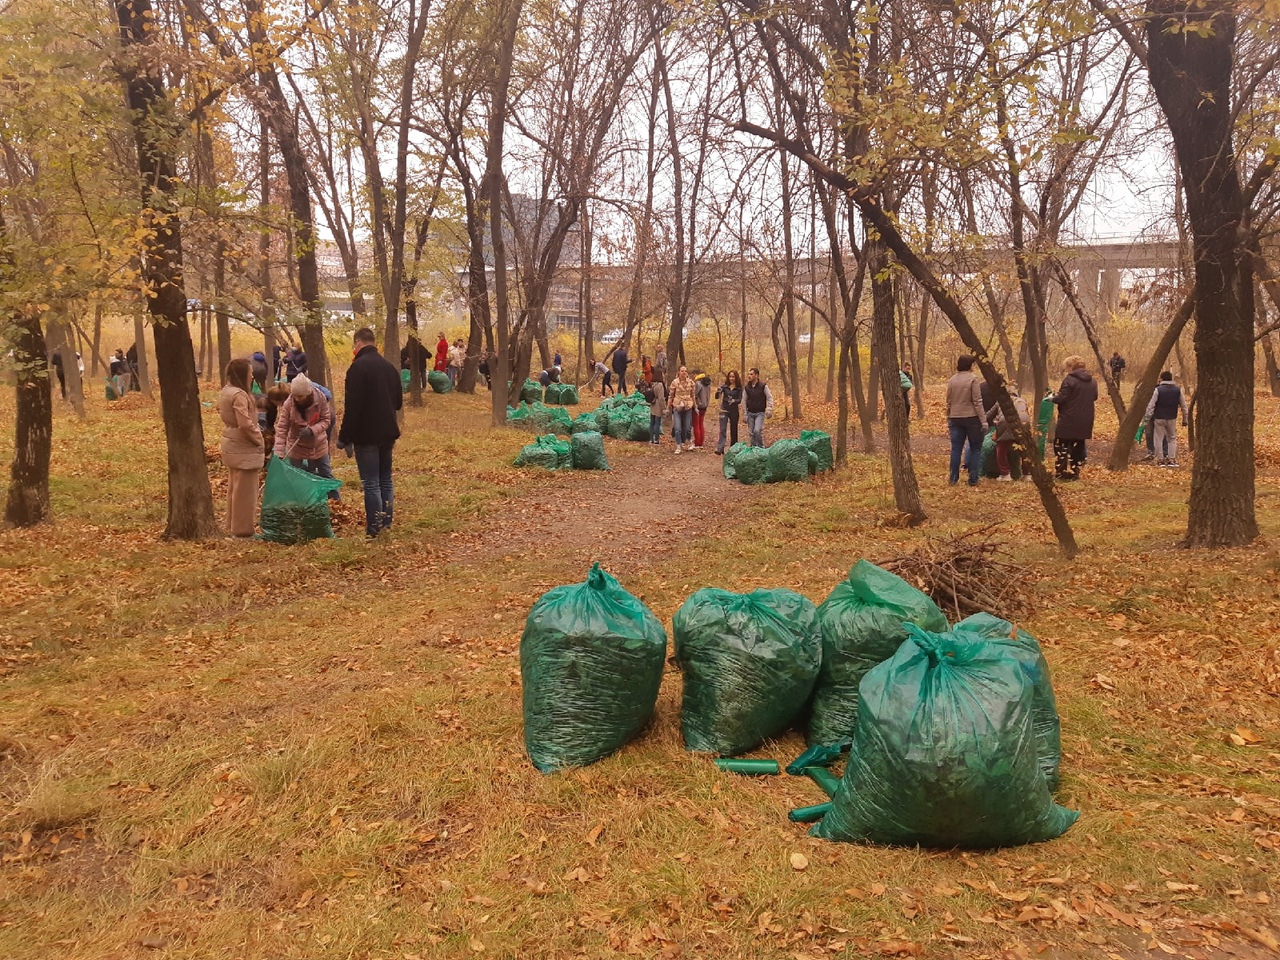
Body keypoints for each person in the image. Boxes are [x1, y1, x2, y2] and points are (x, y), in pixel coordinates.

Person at [338, 328, 403, 537]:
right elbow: (399, 403)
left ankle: (374, 529)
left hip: (366, 435)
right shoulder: (390, 368)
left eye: (353, 345)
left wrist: (344, 437)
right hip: (388, 433)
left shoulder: (358, 368)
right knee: (385, 480)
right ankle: (387, 523)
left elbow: (353, 407)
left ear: (358, 342)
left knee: (371, 483)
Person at [217, 358, 265, 538]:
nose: (252, 376)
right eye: (250, 373)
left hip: (232, 443)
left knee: (235, 489)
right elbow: (245, 423)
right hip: (243, 446)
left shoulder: (226, 391)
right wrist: (259, 438)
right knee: (245, 493)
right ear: (242, 374)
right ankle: (243, 530)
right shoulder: (239, 395)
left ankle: (233, 526)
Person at [274, 373, 334, 482]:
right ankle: (302, 498)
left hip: (318, 444)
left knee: (326, 474)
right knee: (297, 477)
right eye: (295, 395)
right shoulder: (289, 403)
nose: (297, 399)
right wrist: (279, 452)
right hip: (296, 446)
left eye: (300, 396)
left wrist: (312, 430)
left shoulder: (320, 399)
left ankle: (334, 498)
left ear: (308, 393)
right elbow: (282, 428)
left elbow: (326, 420)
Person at [1052, 355, 1098, 482]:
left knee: (1060, 445)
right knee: (1078, 446)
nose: (1066, 369)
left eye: (1067, 367)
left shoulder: (1069, 380)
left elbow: (1062, 397)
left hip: (1068, 418)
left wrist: (1052, 398)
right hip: (1085, 419)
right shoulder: (1092, 381)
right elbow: (1094, 397)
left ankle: (1061, 472)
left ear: (1071, 366)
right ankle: (1074, 472)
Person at [945, 354, 986, 486]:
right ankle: (973, 479)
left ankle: (953, 478)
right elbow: (977, 401)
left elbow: (949, 401)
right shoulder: (973, 379)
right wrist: (983, 420)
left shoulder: (952, 380)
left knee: (956, 449)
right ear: (970, 365)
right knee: (975, 448)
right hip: (971, 417)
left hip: (955, 417)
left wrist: (949, 417)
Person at [1143, 371, 1189, 467]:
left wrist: (1147, 418)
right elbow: (1184, 406)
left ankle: (1160, 459)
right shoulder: (1177, 390)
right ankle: (1171, 459)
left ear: (1162, 379)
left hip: (1159, 417)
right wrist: (1185, 419)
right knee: (1172, 438)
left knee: (1158, 438)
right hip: (1172, 417)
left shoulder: (1158, 390)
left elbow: (1151, 405)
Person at [985, 384, 1030, 482]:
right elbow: (1026, 413)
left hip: (1006, 423)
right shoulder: (1022, 401)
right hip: (1023, 423)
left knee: (1001, 447)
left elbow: (989, 415)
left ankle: (1005, 474)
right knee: (1024, 449)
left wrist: (981, 419)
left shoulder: (1001, 401)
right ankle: (1027, 474)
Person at [668, 365, 697, 453]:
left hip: (688, 406)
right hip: (677, 406)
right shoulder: (674, 382)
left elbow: (693, 396)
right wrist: (668, 407)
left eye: (685, 371)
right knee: (677, 428)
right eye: (682, 371)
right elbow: (671, 395)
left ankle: (689, 442)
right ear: (678, 372)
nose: (684, 373)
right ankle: (678, 445)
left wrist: (695, 407)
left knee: (688, 427)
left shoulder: (691, 382)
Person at [743, 368, 774, 447]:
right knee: (751, 433)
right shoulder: (747, 387)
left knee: (757, 430)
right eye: (748, 374)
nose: (749, 376)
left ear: (756, 375)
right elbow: (744, 401)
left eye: (751, 374)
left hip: (760, 413)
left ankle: (761, 448)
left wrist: (769, 408)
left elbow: (769, 397)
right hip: (750, 413)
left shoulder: (763, 386)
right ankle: (753, 449)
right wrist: (744, 414)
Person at [714, 370, 743, 454]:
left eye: (733, 377)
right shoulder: (724, 386)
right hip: (724, 409)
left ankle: (733, 448)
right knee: (722, 429)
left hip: (734, 410)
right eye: (730, 376)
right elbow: (717, 397)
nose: (731, 378)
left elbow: (740, 399)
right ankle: (720, 448)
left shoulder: (739, 388)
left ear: (736, 377)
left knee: (734, 429)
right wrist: (718, 391)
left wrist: (734, 400)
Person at [646, 375, 667, 445]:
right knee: (657, 423)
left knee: (652, 423)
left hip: (652, 404)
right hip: (658, 405)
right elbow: (661, 398)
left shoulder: (652, 384)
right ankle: (656, 439)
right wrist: (664, 408)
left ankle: (651, 439)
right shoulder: (660, 385)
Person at [693, 373, 712, 449]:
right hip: (705, 406)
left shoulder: (698, 384)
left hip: (698, 406)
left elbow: (694, 394)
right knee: (701, 424)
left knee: (696, 424)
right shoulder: (708, 385)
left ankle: (697, 442)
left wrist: (695, 401)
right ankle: (701, 441)